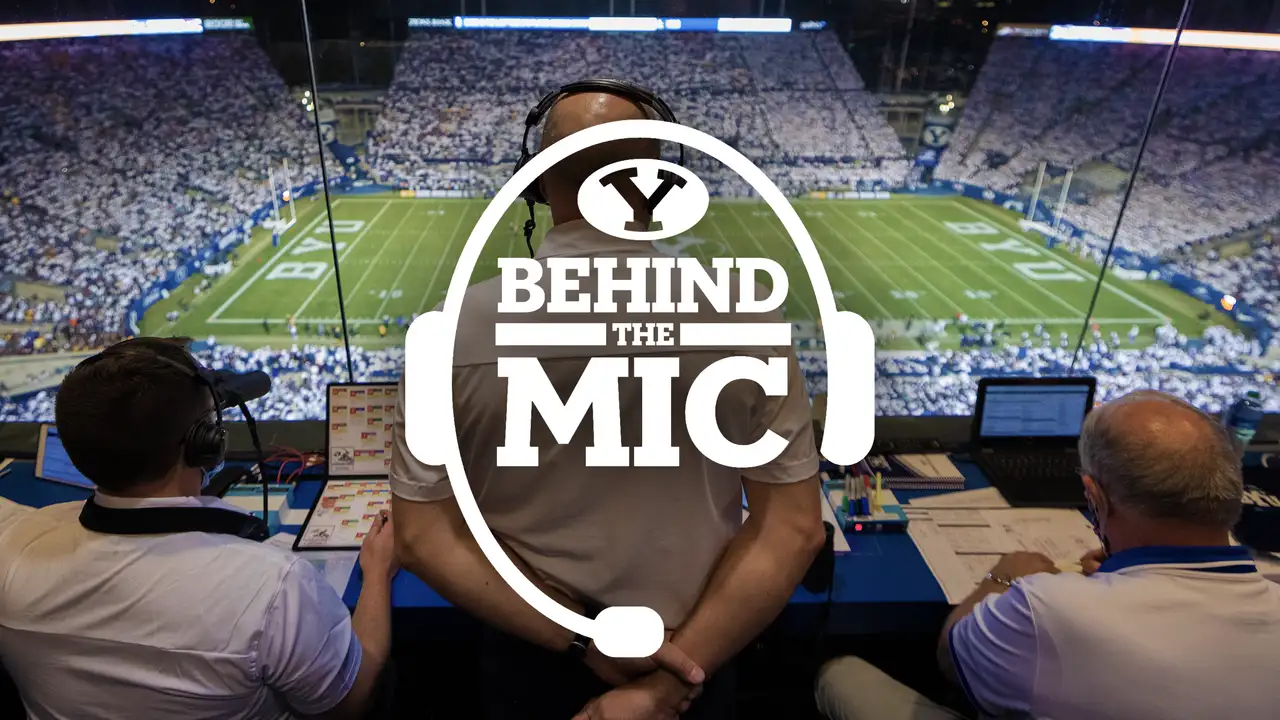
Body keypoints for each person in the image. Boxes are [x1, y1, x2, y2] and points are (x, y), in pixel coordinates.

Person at [391, 87, 825, 720]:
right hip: (699, 653)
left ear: (536, 184)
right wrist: (666, 686)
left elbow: (423, 537)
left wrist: (583, 643)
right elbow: (794, 529)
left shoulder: (447, 331)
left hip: (532, 658)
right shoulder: (746, 317)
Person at [815, 389, 1280, 720]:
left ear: (1095, 499)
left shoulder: (1051, 607)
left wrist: (1000, 580)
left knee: (841, 676)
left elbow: (951, 658)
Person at [0, 337, 397, 719]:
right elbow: (350, 700)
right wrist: (378, 570)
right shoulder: (274, 586)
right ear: (206, 443)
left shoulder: (12, 544)